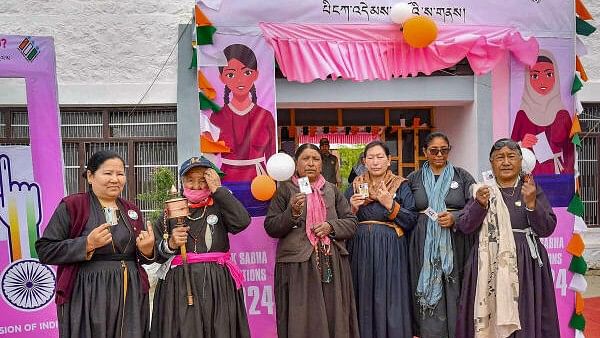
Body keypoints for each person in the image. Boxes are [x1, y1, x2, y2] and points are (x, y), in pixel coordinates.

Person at [36, 150, 155, 338]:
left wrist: (147, 251)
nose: (115, 179)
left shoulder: (132, 210)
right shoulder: (73, 205)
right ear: (91, 176)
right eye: (108, 173)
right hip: (87, 291)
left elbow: (140, 256)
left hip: (129, 291)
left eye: (120, 173)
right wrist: (87, 244)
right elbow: (45, 250)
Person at [455, 138, 559, 338]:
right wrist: (480, 205)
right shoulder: (483, 190)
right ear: (491, 163)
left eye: (511, 157)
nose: (505, 162)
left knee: (524, 316)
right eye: (499, 157)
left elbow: (547, 228)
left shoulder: (530, 189)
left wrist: (531, 204)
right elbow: (465, 226)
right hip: (488, 264)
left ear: (521, 161)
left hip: (525, 265)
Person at [264, 143, 359, 338]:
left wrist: (330, 227)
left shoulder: (332, 190)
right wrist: (291, 213)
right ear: (296, 164)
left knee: (334, 316)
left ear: (322, 164)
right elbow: (271, 227)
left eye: (315, 159)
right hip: (297, 266)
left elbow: (351, 223)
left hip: (331, 262)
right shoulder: (285, 190)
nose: (310, 163)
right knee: (301, 320)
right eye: (305, 159)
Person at [150, 156, 251, 338]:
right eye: (190, 180)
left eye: (202, 181)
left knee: (219, 328)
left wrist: (218, 190)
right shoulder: (172, 210)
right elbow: (155, 253)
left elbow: (242, 221)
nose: (196, 186)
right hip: (181, 284)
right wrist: (172, 243)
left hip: (217, 283)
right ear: (182, 182)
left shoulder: (220, 204)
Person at [406, 132, 475, 338]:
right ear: (425, 152)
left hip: (455, 241)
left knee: (454, 284)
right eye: (434, 150)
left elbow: (475, 207)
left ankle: (456, 331)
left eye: (444, 150)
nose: (439, 154)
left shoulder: (462, 177)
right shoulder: (413, 179)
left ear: (449, 151)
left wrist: (456, 217)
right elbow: (406, 210)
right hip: (422, 242)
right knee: (423, 283)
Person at [346, 140, 417, 338]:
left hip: (391, 249)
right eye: (370, 158)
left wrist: (390, 205)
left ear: (389, 161)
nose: (375, 162)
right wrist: (351, 208)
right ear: (364, 161)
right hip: (360, 249)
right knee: (363, 294)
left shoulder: (401, 185)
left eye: (380, 157)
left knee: (391, 295)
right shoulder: (354, 186)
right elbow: (342, 219)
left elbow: (411, 219)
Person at [208, 43, 276, 217]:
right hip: (227, 184)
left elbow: (271, 158)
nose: (240, 80)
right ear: (222, 77)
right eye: (231, 74)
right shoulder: (216, 118)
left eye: (246, 72)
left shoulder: (266, 116)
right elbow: (210, 159)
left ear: (256, 75)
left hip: (260, 184)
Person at [511, 50, 574, 174]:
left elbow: (570, 151)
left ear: (556, 76)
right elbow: (509, 148)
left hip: (557, 175)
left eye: (549, 74)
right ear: (528, 79)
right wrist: (521, 144)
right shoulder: (522, 115)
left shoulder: (563, 115)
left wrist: (567, 175)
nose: (542, 82)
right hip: (529, 177)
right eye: (535, 76)